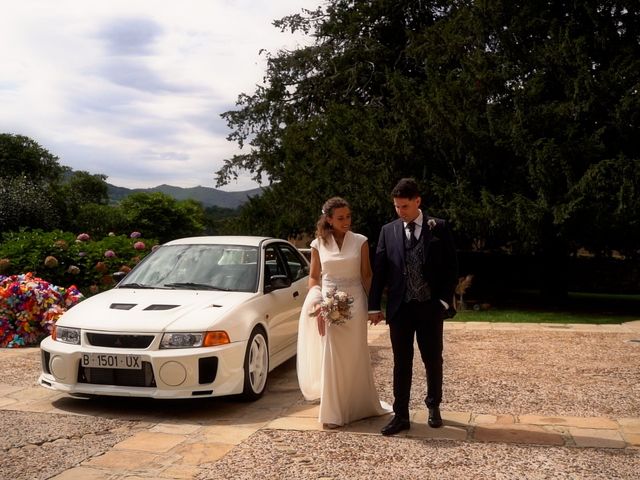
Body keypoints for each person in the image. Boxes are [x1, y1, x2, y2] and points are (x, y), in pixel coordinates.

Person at [368, 178, 458, 436]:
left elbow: (452, 268)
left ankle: (434, 406)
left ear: (418, 201)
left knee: (432, 359)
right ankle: (401, 416)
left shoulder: (439, 227)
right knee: (401, 363)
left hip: (430, 308)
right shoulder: (388, 230)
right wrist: (374, 305)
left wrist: (442, 301)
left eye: (404, 206)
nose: (400, 211)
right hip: (400, 309)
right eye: (396, 207)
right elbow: (380, 270)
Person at [297, 197, 390, 428]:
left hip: (356, 302)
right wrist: (318, 302)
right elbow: (313, 277)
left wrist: (374, 307)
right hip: (329, 304)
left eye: (348, 216)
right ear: (328, 219)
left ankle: (360, 405)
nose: (346, 221)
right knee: (333, 355)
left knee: (356, 353)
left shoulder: (361, 241)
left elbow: (367, 275)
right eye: (340, 218)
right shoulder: (317, 244)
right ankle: (334, 411)